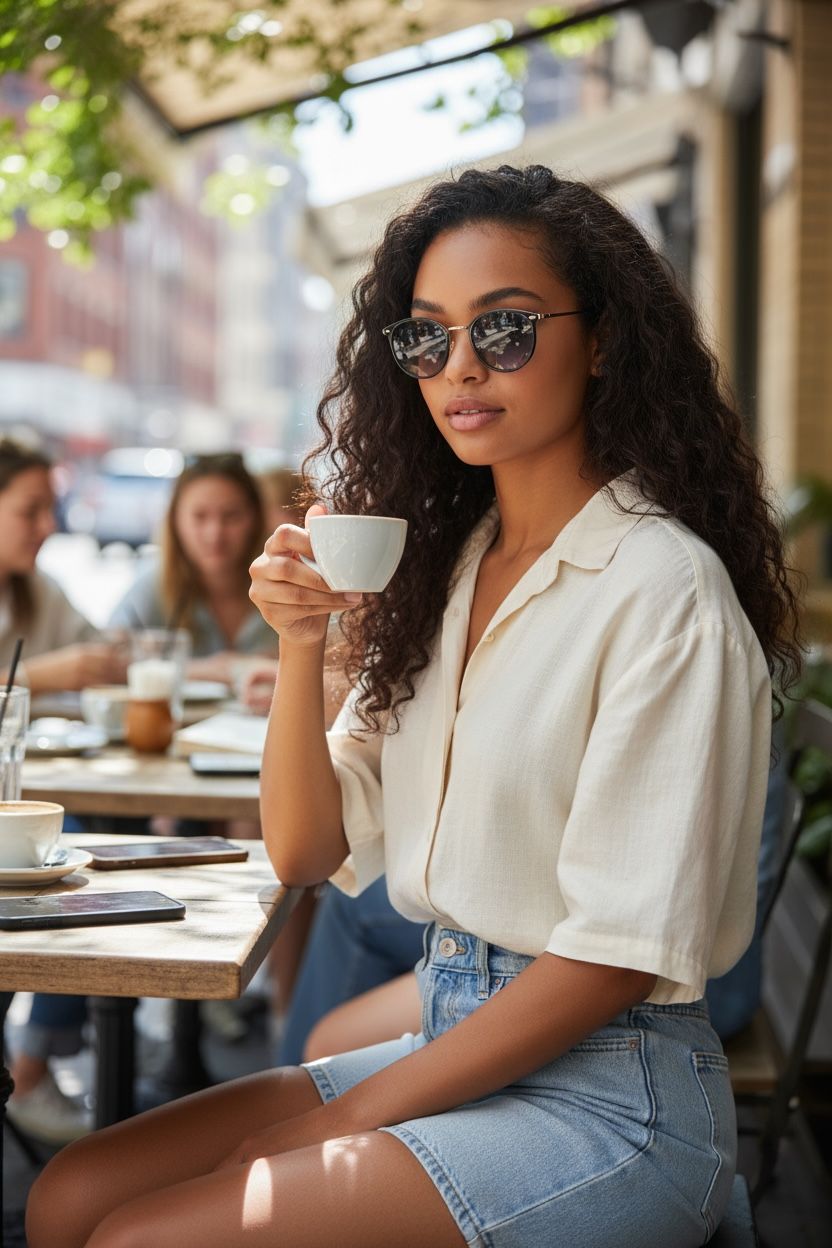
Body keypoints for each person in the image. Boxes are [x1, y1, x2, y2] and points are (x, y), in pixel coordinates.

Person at [27, 164, 803, 1248]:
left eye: (508, 329)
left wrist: (343, 1123)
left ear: (607, 340)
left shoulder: (660, 588)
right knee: (70, 1196)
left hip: (612, 1097)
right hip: (455, 1025)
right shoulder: (444, 570)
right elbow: (304, 850)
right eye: (428, 337)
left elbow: (615, 956)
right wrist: (303, 645)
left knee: (142, 1236)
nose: (461, 368)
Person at [0, 436, 126, 1143]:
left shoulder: (35, 590)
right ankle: (37, 1066)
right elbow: (66, 666)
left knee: (92, 853)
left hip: (31, 798)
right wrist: (48, 675)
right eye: (30, 509)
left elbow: (105, 652)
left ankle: (36, 1057)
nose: (48, 525)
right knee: (69, 856)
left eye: (51, 507)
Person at [108, 452, 275, 682]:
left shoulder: (283, 585)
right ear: (175, 521)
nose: (215, 533)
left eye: (231, 516)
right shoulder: (153, 586)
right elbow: (105, 661)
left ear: (255, 519)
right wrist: (223, 669)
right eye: (199, 516)